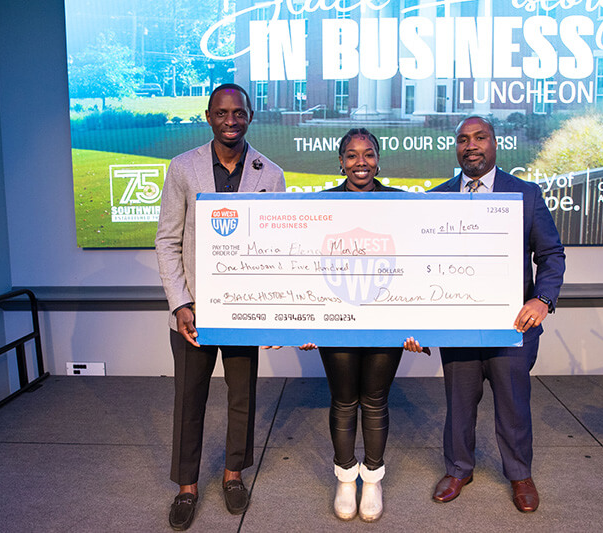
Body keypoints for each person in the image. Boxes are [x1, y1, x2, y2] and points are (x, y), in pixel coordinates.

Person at [155, 83, 285, 531]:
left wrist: (269, 313)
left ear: (250, 116)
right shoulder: (183, 168)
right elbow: (167, 241)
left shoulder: (271, 173)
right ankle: (186, 487)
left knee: (242, 398)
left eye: (239, 113)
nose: (231, 120)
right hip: (195, 312)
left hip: (244, 311)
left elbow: (276, 248)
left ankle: (233, 475)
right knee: (189, 400)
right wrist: (180, 304)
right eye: (222, 113)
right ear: (208, 116)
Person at [422, 115, 565, 512]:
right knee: (459, 403)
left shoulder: (526, 194)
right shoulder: (438, 198)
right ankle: (458, 468)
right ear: (456, 147)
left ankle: (520, 475)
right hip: (459, 326)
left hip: (512, 325)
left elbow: (551, 254)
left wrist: (543, 299)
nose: (471, 146)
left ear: (495, 144)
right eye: (464, 140)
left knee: (514, 404)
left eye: (480, 138)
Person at [300, 128, 427, 522]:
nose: (360, 162)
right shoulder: (320, 205)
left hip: (386, 323)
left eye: (368, 154)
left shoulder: (404, 205)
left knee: (374, 400)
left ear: (378, 160)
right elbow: (303, 267)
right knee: (343, 400)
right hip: (335, 321)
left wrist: (421, 325)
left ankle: (371, 479)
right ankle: (344, 477)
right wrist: (302, 322)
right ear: (340, 161)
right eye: (352, 155)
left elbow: (419, 265)